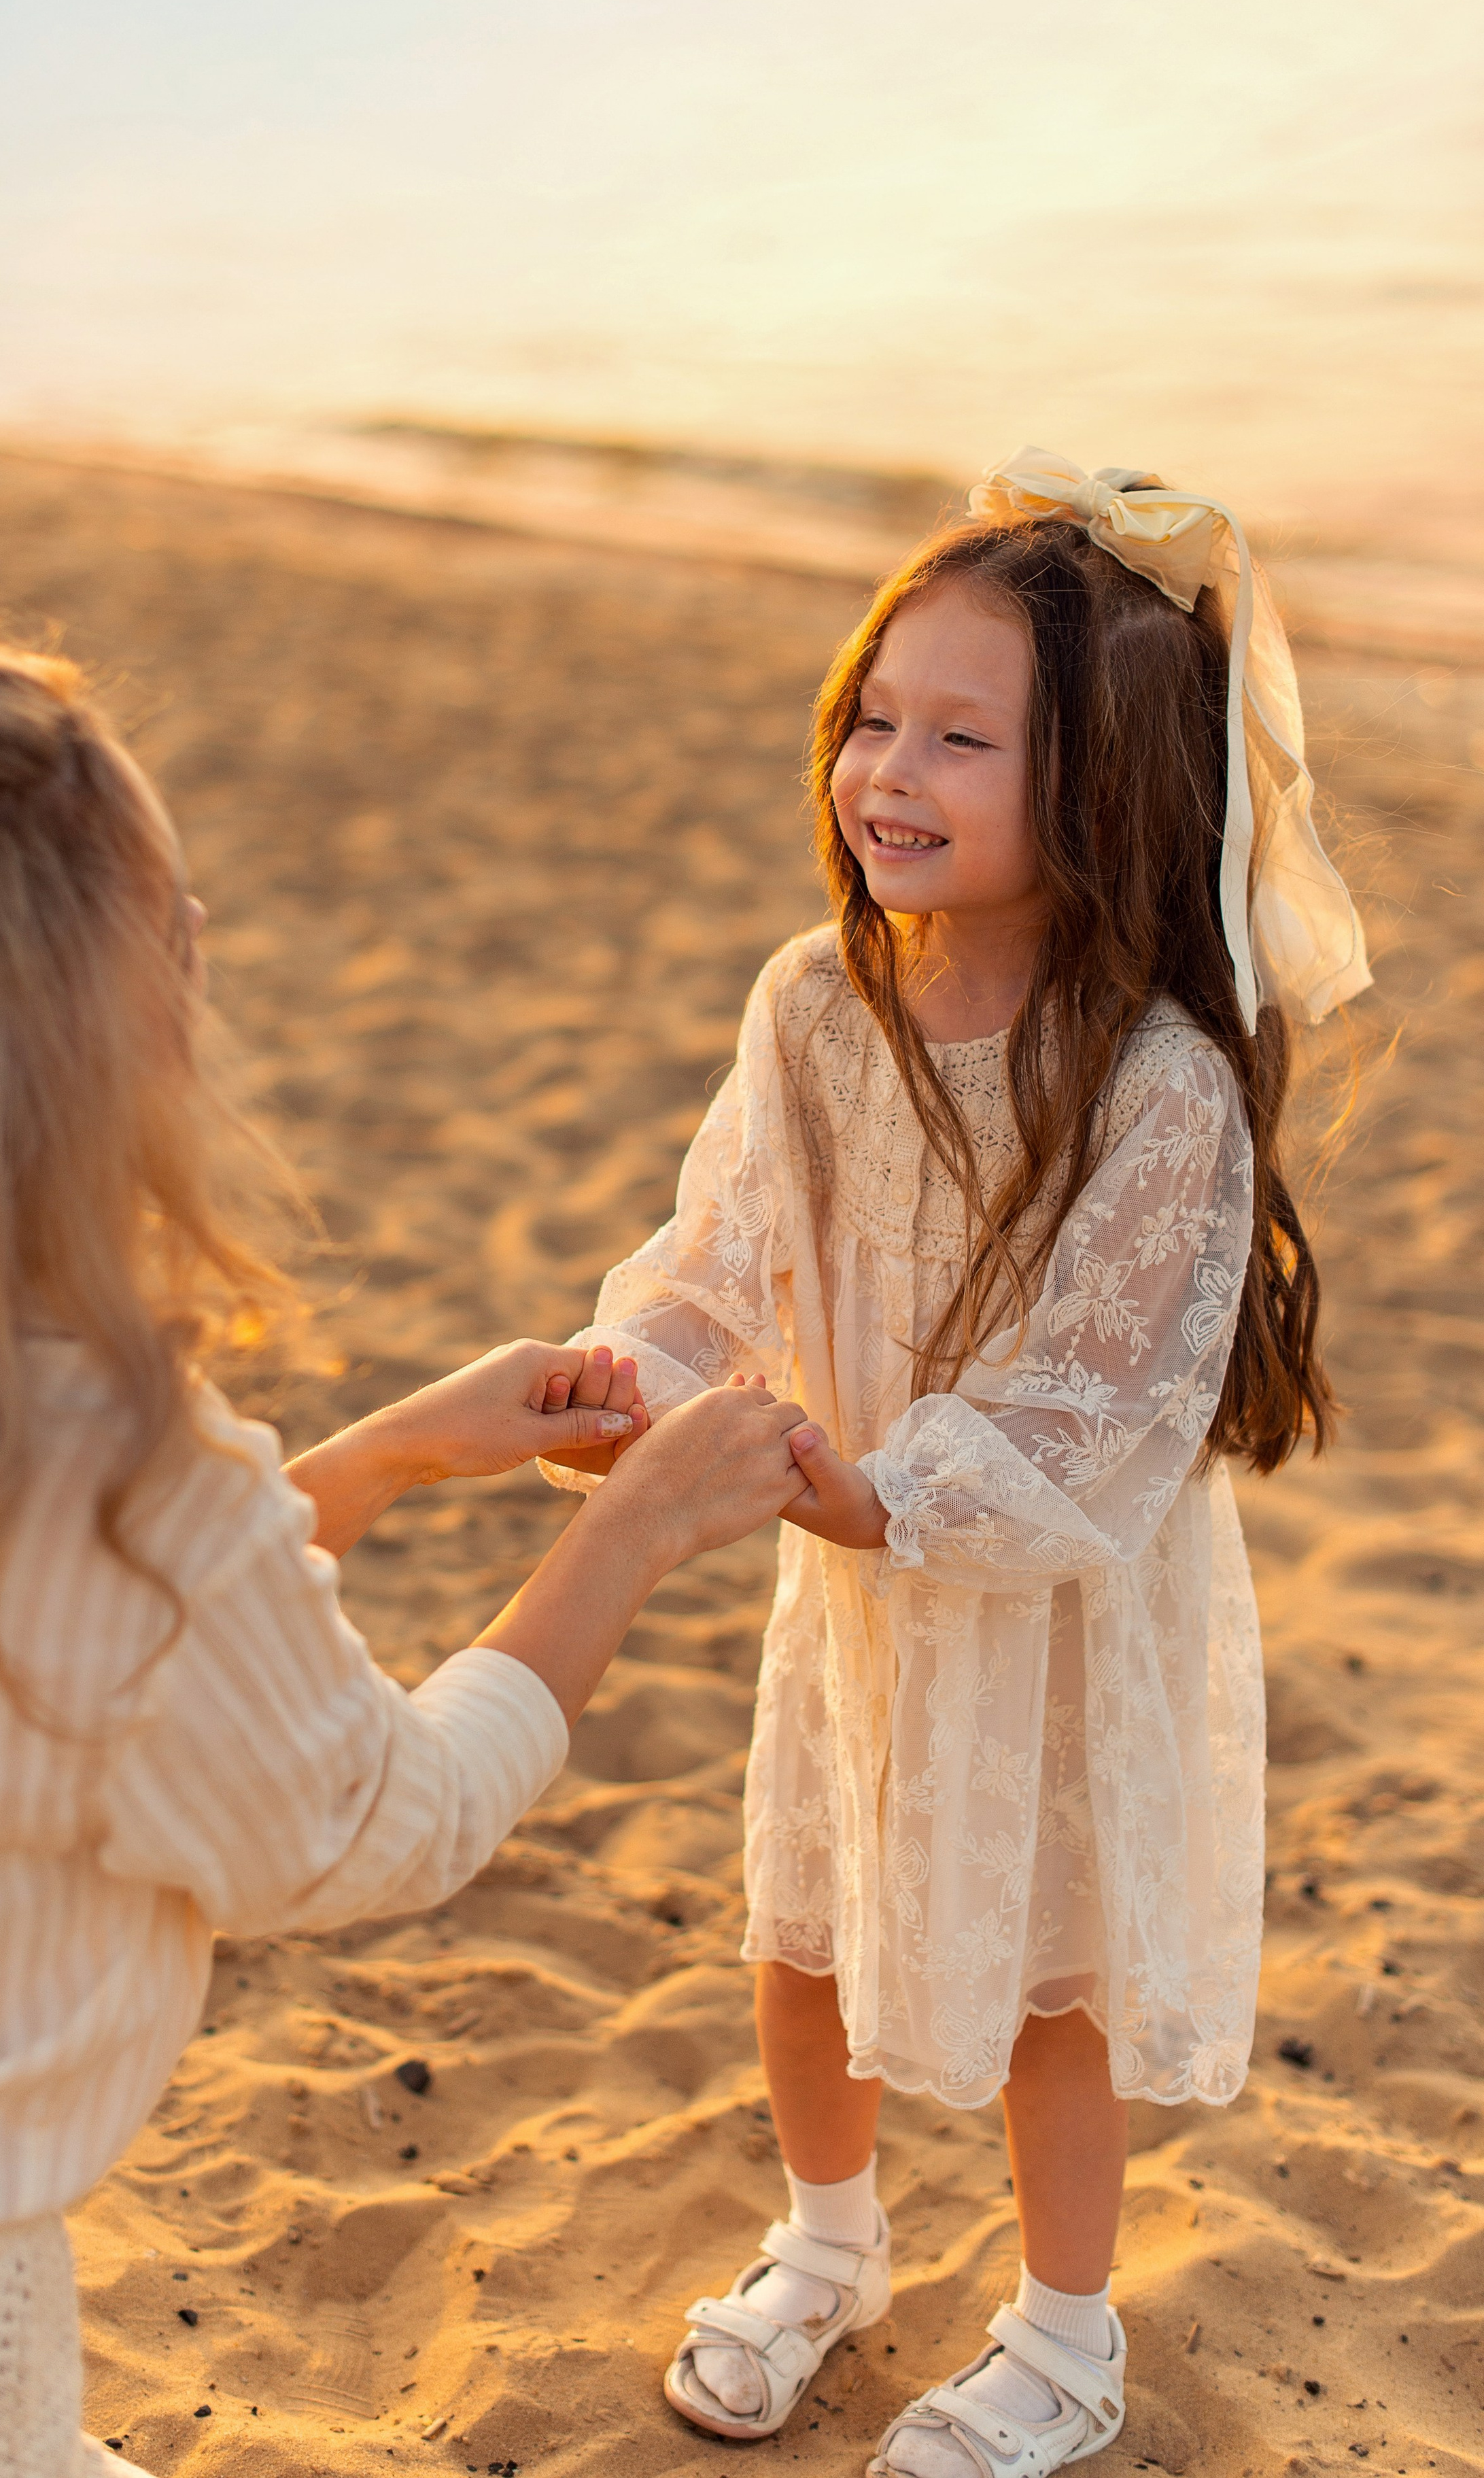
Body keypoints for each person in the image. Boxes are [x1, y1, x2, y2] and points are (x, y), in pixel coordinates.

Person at [0, 625, 810, 2478]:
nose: (202, 954)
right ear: (85, 1041)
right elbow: (376, 1822)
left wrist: (386, 1454)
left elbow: (33, 1666)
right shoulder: (124, 1481)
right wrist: (635, 1529)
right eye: (179, 933)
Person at [542, 453, 1371, 2477]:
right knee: (804, 1917)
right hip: (851, 1575)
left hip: (1046, 1590)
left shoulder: (1160, 1079)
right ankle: (826, 2239)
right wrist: (633, 1364)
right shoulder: (820, 1006)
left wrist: (885, 1489)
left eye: (959, 737)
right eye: (875, 717)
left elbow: (1103, 1399)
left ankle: (1066, 2334)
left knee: (1048, 1968)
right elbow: (726, 1247)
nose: (887, 768)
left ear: (1095, 790)